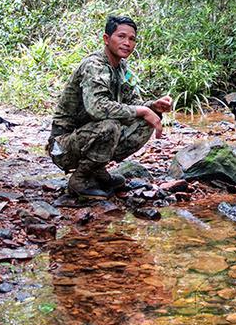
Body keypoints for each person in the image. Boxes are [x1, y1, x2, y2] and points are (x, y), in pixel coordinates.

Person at [48, 15, 172, 197]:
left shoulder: (122, 68)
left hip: (89, 135)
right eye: (121, 36)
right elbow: (97, 108)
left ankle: (97, 170)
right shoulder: (94, 65)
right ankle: (80, 179)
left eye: (132, 39)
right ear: (107, 39)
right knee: (110, 126)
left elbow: (132, 104)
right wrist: (143, 110)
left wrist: (152, 106)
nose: (127, 43)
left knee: (148, 118)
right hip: (63, 146)